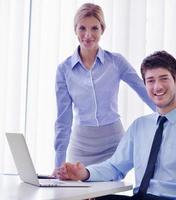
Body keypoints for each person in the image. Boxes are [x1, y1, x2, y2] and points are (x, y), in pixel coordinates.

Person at [56, 51, 176, 200]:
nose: (157, 87)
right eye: (150, 80)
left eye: (164, 78)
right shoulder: (139, 127)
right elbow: (114, 167)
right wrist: (84, 173)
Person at [53, 3, 155, 175]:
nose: (88, 35)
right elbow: (63, 120)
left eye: (94, 28)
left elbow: (145, 91)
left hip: (113, 145)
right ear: (75, 30)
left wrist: (171, 115)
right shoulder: (64, 70)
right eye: (82, 28)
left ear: (102, 30)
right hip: (80, 147)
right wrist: (59, 163)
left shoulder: (116, 62)